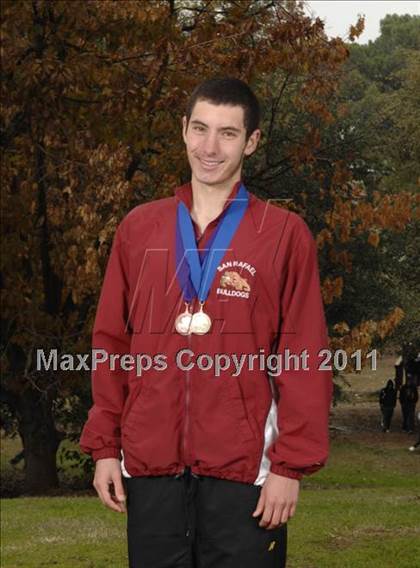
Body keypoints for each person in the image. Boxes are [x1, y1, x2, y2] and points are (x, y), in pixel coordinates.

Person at [79, 77, 333, 568]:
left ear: (252, 141)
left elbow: (303, 356)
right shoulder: (139, 229)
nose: (209, 147)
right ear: (183, 131)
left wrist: (289, 467)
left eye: (228, 133)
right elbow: (111, 343)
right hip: (151, 469)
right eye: (200, 129)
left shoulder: (283, 235)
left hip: (246, 476)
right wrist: (105, 447)